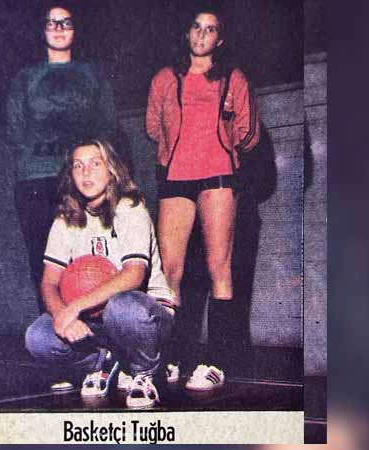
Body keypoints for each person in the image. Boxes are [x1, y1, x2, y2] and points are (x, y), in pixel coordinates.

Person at [146, 5, 260, 391]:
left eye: (210, 29)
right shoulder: (164, 78)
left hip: (219, 178)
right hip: (176, 177)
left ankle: (216, 363)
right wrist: (179, 154)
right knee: (170, 271)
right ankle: (173, 356)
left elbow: (249, 133)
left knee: (218, 268)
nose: (201, 34)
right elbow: (153, 126)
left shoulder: (233, 78)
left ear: (220, 39)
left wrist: (222, 148)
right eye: (196, 27)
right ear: (187, 32)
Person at [24, 139, 177, 409]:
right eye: (78, 165)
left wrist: (74, 307)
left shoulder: (130, 208)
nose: (86, 172)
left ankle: (145, 371)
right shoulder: (65, 219)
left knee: (122, 306)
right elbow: (49, 282)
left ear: (112, 170)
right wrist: (62, 316)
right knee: (38, 337)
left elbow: (133, 276)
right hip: (96, 320)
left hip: (144, 316)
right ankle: (105, 362)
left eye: (95, 164)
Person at [6, 2, 118, 310]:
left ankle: (90, 324)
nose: (58, 29)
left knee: (87, 255)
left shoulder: (92, 75)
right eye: (52, 23)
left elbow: (107, 126)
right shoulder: (26, 79)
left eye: (65, 22)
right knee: (43, 258)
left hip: (83, 180)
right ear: (42, 30)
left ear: (75, 29)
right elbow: (14, 131)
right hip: (36, 179)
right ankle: (52, 322)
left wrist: (87, 168)